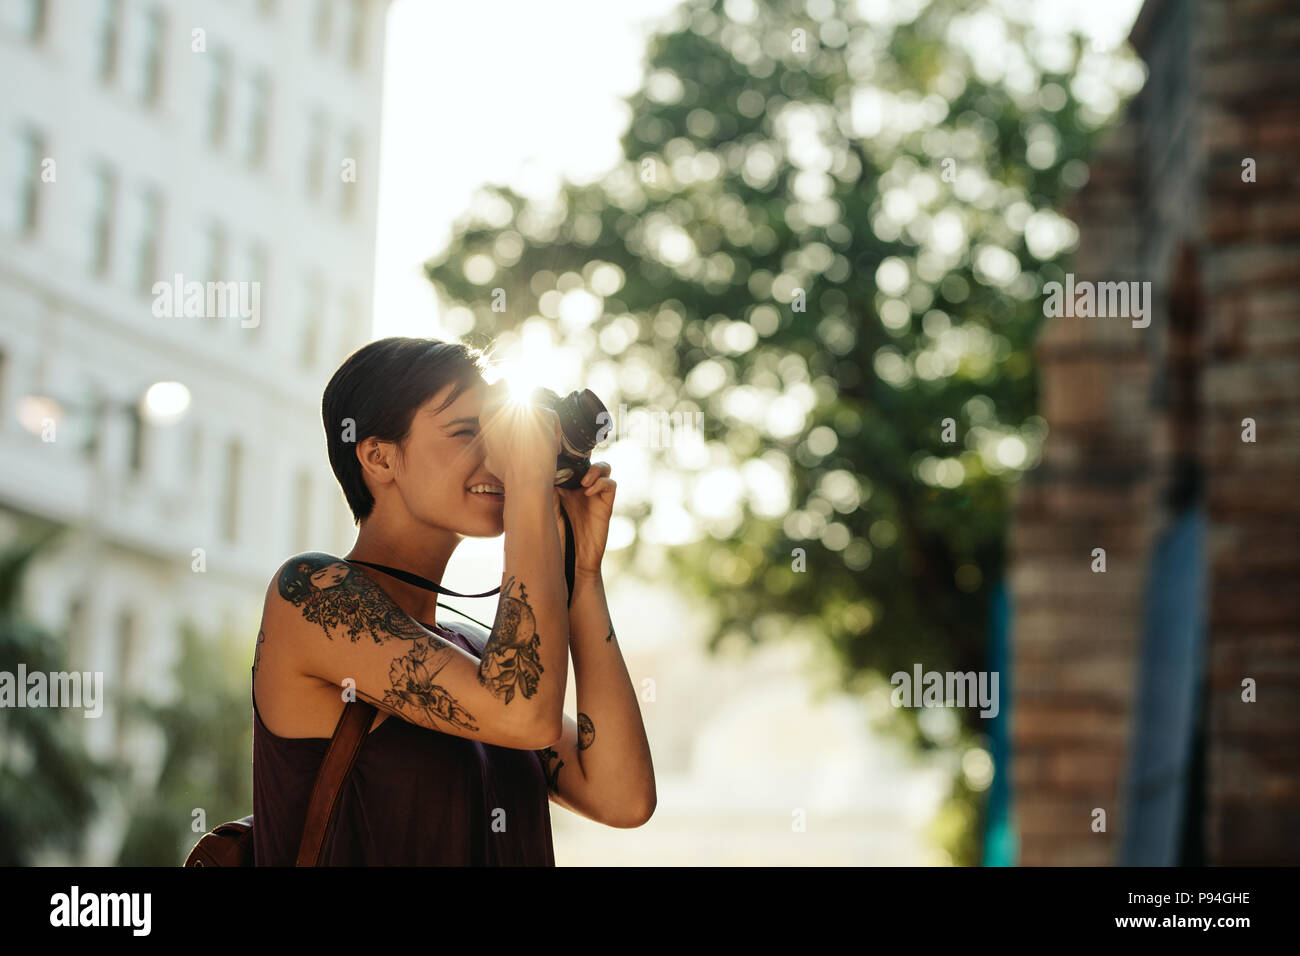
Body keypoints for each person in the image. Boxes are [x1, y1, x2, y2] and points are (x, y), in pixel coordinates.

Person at [250, 336, 655, 864]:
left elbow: (622, 796)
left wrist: (580, 573)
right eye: (467, 433)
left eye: (499, 436)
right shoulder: (310, 595)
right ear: (378, 456)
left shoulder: (476, 652)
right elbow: (522, 715)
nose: (497, 459)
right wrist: (531, 486)